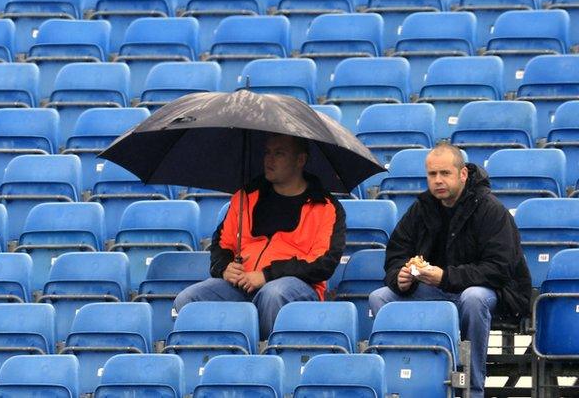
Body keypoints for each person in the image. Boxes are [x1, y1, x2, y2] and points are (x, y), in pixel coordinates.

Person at [369, 143, 532, 398]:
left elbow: (499, 269)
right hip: (439, 290)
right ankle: (406, 382)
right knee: (381, 297)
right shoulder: (422, 208)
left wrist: (445, 277)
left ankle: (473, 389)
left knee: (474, 298)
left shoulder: (490, 209)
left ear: (463, 174)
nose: (438, 180)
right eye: (432, 175)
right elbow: (397, 251)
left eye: (445, 173)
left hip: (495, 294)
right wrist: (400, 277)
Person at [173, 132, 347, 337]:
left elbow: (323, 263)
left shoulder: (325, 207)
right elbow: (222, 244)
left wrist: (267, 275)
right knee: (188, 299)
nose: (269, 159)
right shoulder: (246, 197)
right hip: (242, 285)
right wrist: (224, 268)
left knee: (273, 294)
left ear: (300, 160)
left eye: (279, 153)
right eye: (267, 152)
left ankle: (267, 361)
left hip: (296, 287)